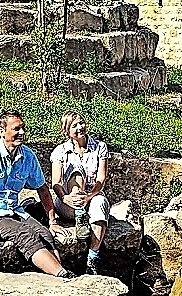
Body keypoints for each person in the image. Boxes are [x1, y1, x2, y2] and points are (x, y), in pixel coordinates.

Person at [0, 109, 72, 278]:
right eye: (17, 129)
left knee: (45, 234)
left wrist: (52, 221)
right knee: (25, 235)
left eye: (23, 128)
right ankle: (62, 276)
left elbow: (43, 189)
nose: (22, 132)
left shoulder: (28, 156)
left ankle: (57, 275)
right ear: (2, 131)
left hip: (16, 211)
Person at [51, 111, 111, 275]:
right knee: (75, 169)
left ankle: (92, 258)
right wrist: (67, 198)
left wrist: (89, 197)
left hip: (90, 198)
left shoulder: (100, 147)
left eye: (81, 123)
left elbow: (102, 179)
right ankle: (79, 214)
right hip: (68, 203)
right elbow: (55, 183)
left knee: (100, 202)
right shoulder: (60, 151)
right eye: (74, 125)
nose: (80, 127)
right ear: (66, 131)